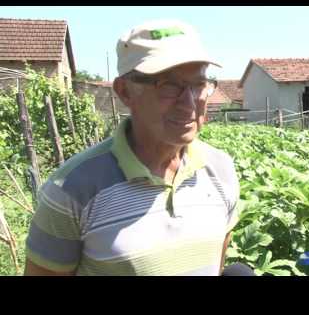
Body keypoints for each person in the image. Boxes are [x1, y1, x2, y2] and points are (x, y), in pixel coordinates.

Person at [24, 19, 254, 276]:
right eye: (168, 85)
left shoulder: (221, 170)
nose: (189, 102)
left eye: (199, 84)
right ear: (125, 92)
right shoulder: (71, 189)